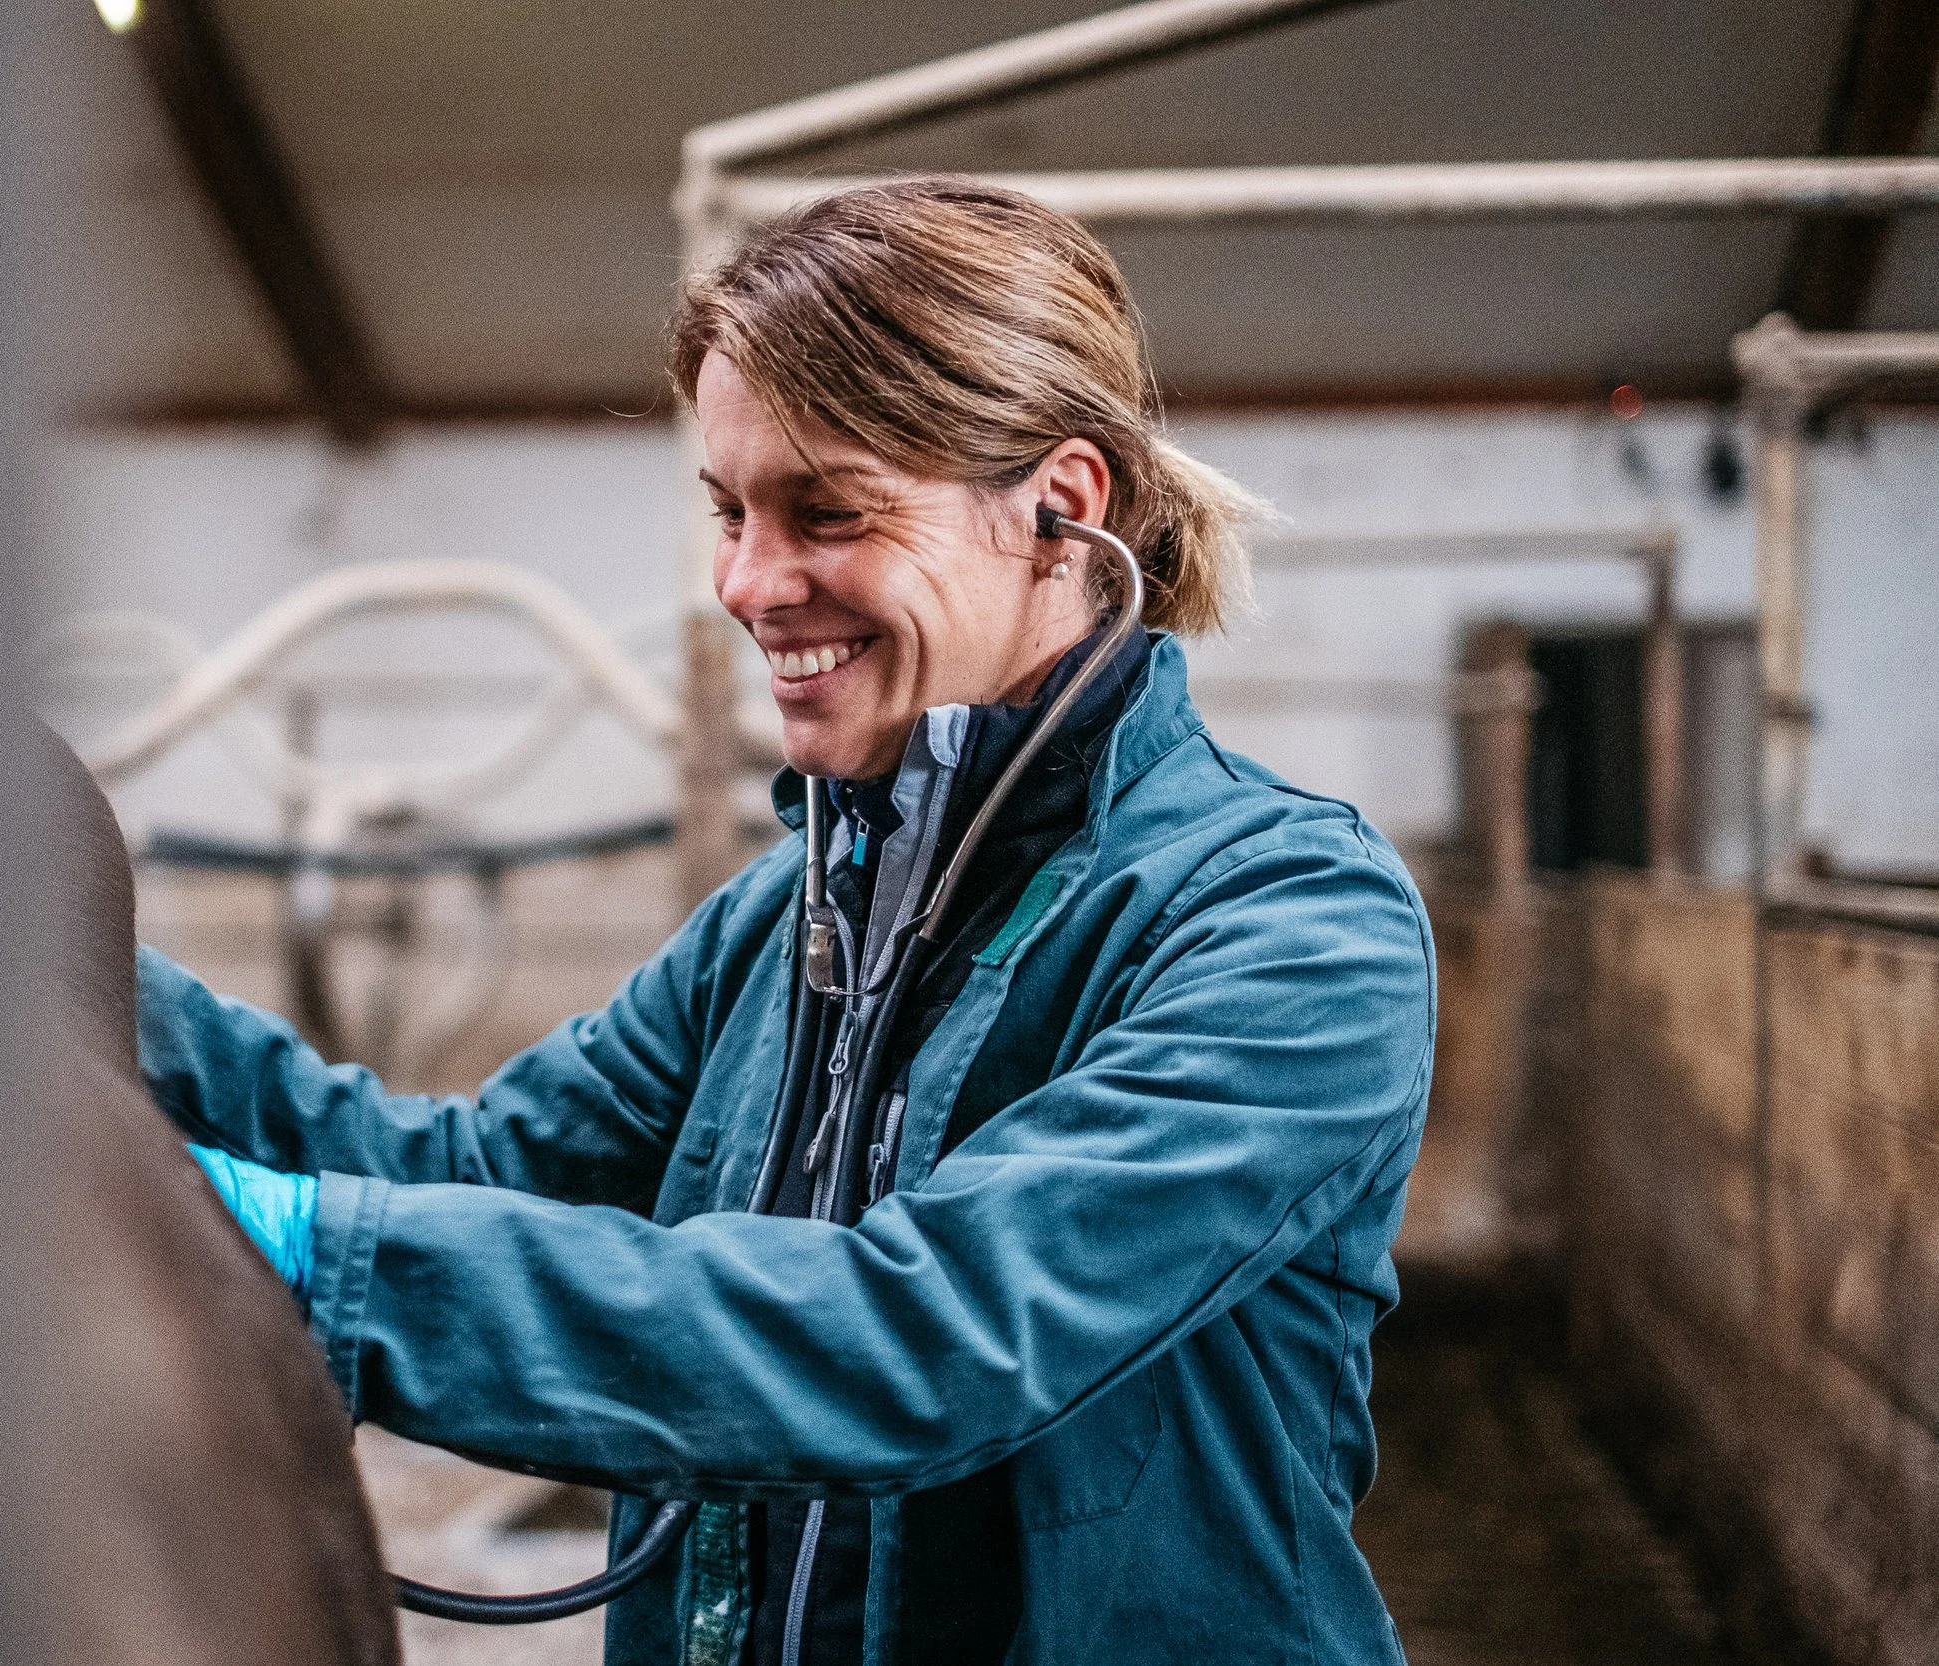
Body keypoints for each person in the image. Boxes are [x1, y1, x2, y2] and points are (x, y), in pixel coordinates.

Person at [140, 179, 1435, 1666]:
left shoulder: (1289, 924)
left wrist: (310, 1259)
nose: (749, 583)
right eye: (729, 511)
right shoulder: (785, 917)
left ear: (1061, 513)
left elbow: (926, 1333)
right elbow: (472, 1170)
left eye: (827, 508)